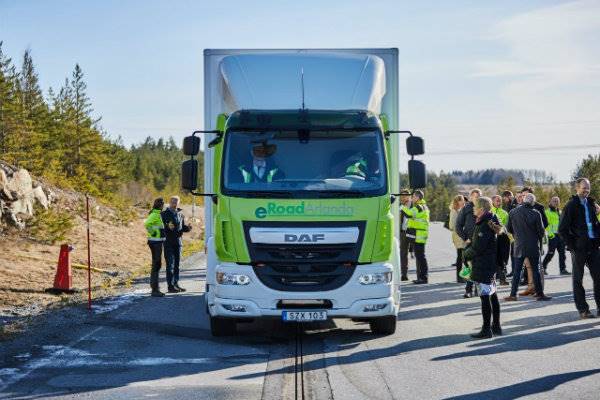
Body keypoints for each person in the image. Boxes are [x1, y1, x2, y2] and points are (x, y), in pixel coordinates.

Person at [558, 178, 600, 319]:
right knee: (578, 279)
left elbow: (595, 224)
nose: (586, 191)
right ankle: (583, 310)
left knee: (598, 277)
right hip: (579, 248)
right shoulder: (571, 205)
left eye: (588, 188)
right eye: (584, 188)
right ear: (577, 188)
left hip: (593, 246)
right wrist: (572, 246)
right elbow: (562, 229)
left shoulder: (591, 204)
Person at [463, 197, 502, 338]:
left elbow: (478, 247)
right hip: (490, 264)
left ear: (481, 209)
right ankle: (496, 326)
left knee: (485, 297)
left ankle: (486, 330)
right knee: (492, 295)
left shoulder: (484, 224)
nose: (473, 209)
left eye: (475, 207)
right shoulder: (491, 220)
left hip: (483, 264)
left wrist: (465, 253)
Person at [505, 193, 551, 301]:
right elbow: (541, 231)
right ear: (533, 202)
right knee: (535, 270)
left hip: (518, 245)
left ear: (524, 200)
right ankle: (540, 294)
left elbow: (508, 228)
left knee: (517, 271)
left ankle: (513, 294)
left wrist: (517, 235)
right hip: (532, 246)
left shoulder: (513, 212)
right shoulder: (536, 213)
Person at [161, 196, 192, 293]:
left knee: (177, 265)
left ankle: (176, 284)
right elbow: (165, 227)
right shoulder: (164, 214)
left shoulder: (180, 214)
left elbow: (182, 228)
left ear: (179, 203)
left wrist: (188, 228)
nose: (175, 203)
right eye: (173, 201)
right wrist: (169, 227)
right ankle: (170, 286)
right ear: (169, 202)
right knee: (170, 264)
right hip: (168, 242)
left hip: (178, 243)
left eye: (176, 202)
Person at [456, 188, 482, 297]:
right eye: (474, 196)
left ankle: (479, 289)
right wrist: (465, 237)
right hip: (469, 242)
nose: (476, 198)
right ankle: (468, 290)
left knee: (480, 266)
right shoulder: (466, 208)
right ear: (470, 197)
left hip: (482, 242)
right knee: (469, 266)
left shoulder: (484, 207)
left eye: (478, 196)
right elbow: (458, 226)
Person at [406, 190, 430, 284]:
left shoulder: (419, 207)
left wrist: (400, 206)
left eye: (413, 197)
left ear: (418, 197)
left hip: (419, 235)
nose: (412, 198)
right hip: (419, 234)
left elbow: (409, 213)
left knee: (421, 257)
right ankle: (422, 277)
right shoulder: (421, 206)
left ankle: (424, 278)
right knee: (420, 257)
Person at [542, 196, 570, 275]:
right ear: (550, 202)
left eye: (557, 201)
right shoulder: (547, 212)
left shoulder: (560, 212)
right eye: (554, 201)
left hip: (561, 236)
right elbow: (546, 225)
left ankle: (563, 269)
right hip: (553, 236)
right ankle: (543, 267)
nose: (556, 202)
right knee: (551, 253)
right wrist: (551, 235)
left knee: (562, 254)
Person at [145, 198, 166, 297]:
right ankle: (154, 290)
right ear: (160, 205)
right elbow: (147, 223)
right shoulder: (154, 214)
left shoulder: (157, 214)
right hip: (155, 242)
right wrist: (153, 232)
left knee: (156, 265)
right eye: (163, 204)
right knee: (156, 265)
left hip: (157, 242)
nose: (163, 206)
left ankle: (155, 288)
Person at [492, 195, 510, 285]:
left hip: (502, 238)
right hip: (491, 237)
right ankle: (494, 279)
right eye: (497, 200)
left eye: (500, 201)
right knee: (492, 258)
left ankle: (502, 278)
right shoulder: (489, 211)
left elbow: (507, 227)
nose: (499, 202)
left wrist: (511, 239)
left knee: (502, 258)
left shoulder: (505, 213)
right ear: (492, 202)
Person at [449, 195, 466, 282]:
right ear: (457, 202)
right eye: (461, 201)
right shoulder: (454, 211)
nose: (463, 202)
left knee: (463, 256)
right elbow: (452, 225)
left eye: (463, 200)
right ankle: (459, 277)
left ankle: (462, 276)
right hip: (457, 235)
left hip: (461, 235)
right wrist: (461, 227)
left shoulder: (460, 210)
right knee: (460, 256)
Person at [398, 189, 413, 281]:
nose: (403, 197)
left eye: (405, 196)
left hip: (413, 231)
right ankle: (404, 274)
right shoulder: (398, 206)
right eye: (401, 196)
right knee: (403, 253)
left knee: (418, 254)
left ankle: (421, 276)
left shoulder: (413, 205)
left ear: (409, 196)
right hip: (403, 232)